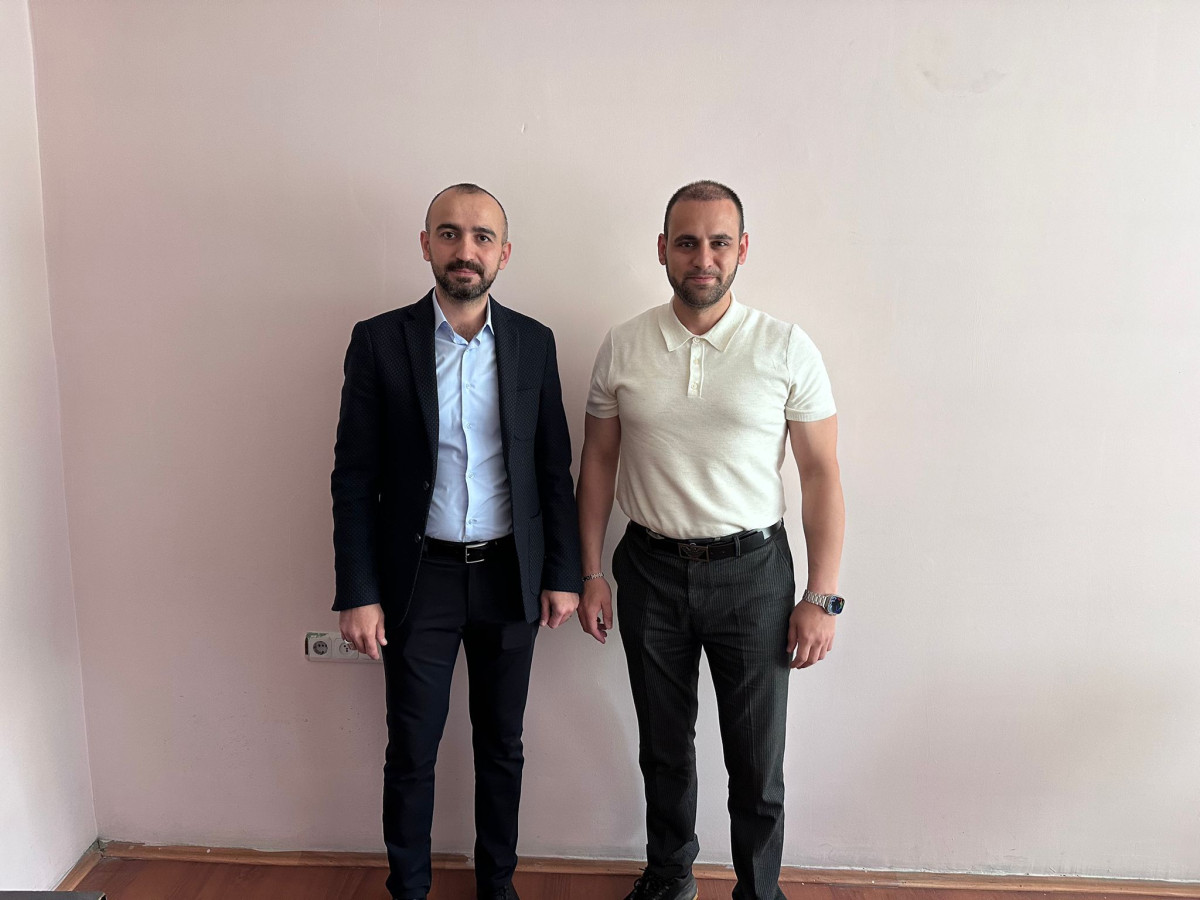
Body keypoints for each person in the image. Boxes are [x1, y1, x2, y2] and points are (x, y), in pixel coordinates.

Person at [576, 181, 846, 900]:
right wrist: (590, 572)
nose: (703, 258)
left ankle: (759, 890)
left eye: (719, 242)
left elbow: (821, 474)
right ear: (662, 250)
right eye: (687, 242)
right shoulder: (624, 345)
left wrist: (822, 595)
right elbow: (597, 460)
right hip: (650, 569)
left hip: (753, 575)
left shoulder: (785, 347)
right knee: (664, 750)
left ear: (742, 250)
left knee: (757, 761)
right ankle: (670, 880)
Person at [331, 183, 581, 900]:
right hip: (420, 579)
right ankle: (408, 890)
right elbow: (354, 476)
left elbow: (552, 468)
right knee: (412, 749)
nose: (464, 249)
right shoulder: (380, 341)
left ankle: (496, 886)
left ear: (504, 253)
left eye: (481, 236)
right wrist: (358, 592)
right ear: (426, 245)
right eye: (448, 233)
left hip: (509, 575)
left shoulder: (533, 342)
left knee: (502, 746)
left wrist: (562, 573)